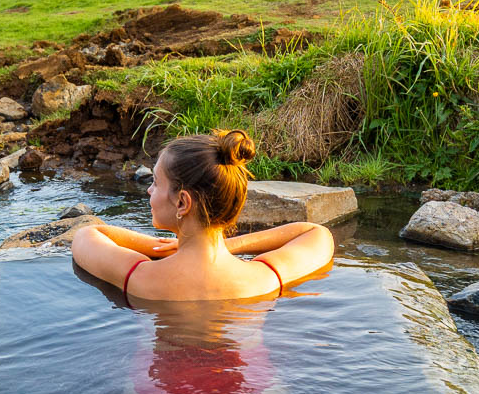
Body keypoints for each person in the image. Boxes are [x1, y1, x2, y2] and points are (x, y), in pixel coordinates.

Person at [70, 129, 334, 302]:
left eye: (156, 182)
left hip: (159, 387)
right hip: (254, 386)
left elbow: (88, 234)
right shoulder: (265, 277)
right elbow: (315, 232)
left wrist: (163, 250)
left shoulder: (139, 277)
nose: (150, 190)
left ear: (183, 202)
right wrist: (228, 245)